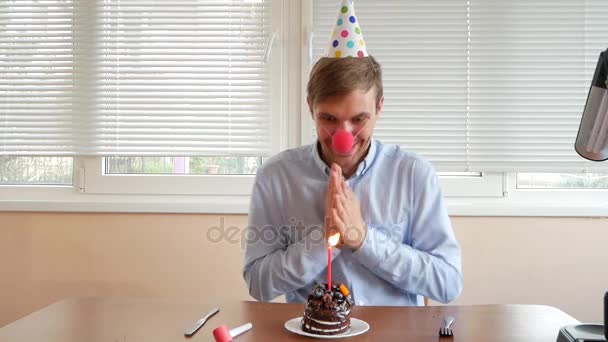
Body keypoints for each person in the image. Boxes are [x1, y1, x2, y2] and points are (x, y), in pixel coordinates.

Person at [242, 0, 462, 307]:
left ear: (379, 108)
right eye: (329, 119)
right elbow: (258, 284)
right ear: (310, 107)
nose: (344, 137)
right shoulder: (276, 177)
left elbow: (448, 282)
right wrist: (323, 241)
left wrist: (362, 238)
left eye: (359, 119)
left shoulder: (414, 175)